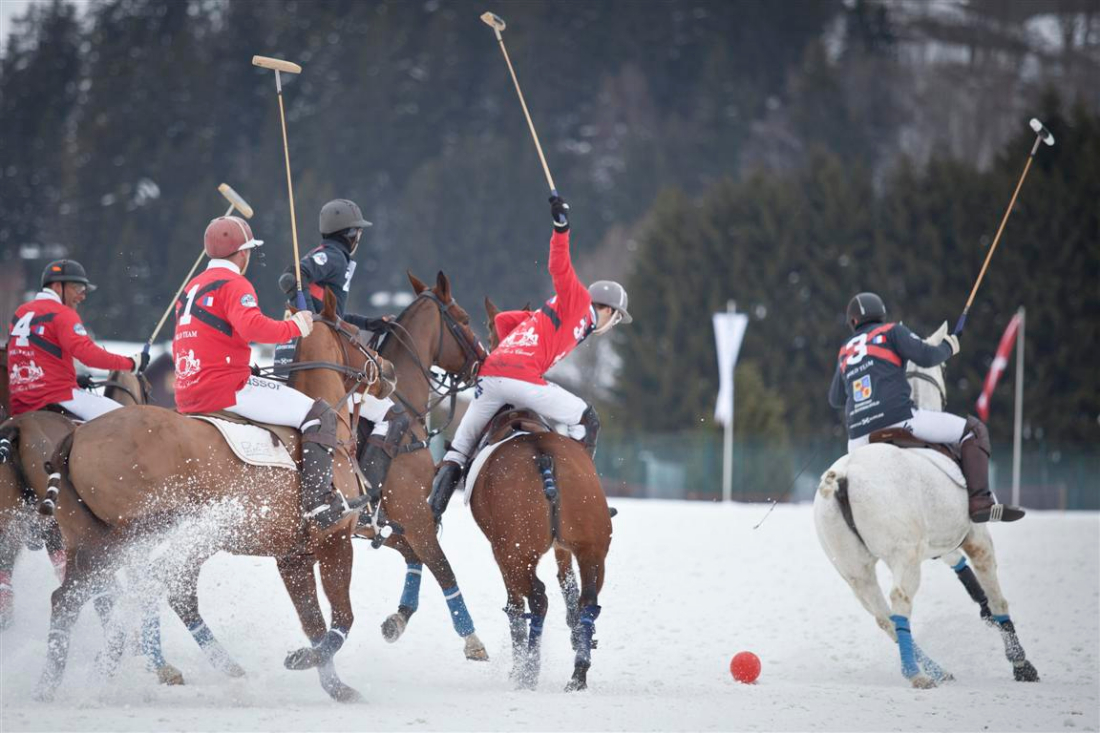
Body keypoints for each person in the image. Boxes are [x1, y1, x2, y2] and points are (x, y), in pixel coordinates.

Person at [428, 194, 632, 521]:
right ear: (606, 309)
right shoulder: (577, 300)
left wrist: (514, 349)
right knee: (587, 419)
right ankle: (584, 496)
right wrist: (560, 228)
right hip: (523, 381)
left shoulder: (545, 314)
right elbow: (559, 266)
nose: (613, 324)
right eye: (616, 317)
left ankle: (431, 514)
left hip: (490, 379)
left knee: (460, 448)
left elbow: (502, 321)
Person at [172, 215, 350, 530]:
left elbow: (207, 338)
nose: (248, 257)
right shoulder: (236, 284)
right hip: (226, 389)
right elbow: (251, 326)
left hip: (187, 390)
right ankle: (318, 500)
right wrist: (293, 326)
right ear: (241, 253)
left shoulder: (191, 287)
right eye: (249, 251)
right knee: (320, 413)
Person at [828, 292, 1024, 523]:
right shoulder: (892, 331)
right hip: (900, 421)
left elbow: (835, 398)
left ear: (853, 322)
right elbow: (927, 357)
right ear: (881, 315)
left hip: (858, 439)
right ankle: (980, 502)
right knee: (974, 430)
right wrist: (948, 346)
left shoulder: (845, 349)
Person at [274, 198, 404, 507]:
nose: (359, 237)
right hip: (320, 348)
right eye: (357, 232)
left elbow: (330, 311)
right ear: (349, 234)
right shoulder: (334, 256)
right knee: (394, 415)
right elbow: (292, 277)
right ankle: (369, 494)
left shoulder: (331, 257)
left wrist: (367, 322)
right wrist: (308, 315)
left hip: (298, 347)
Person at [7, 260, 146, 420]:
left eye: (84, 290)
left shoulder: (20, 312)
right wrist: (131, 363)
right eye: (77, 288)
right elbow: (88, 355)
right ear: (57, 286)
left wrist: (73, 379)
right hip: (56, 396)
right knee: (131, 419)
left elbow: (35, 356)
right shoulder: (62, 313)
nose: (82, 296)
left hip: (20, 404)